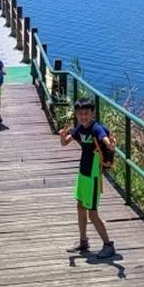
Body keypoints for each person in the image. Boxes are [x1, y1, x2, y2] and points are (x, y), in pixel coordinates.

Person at [59, 99, 116, 258]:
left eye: (86, 113)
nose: (84, 116)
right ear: (76, 115)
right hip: (83, 173)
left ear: (92, 114)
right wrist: (63, 136)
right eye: (80, 113)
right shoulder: (79, 129)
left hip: (93, 175)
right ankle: (83, 241)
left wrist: (110, 145)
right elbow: (65, 143)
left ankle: (108, 245)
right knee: (80, 206)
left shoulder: (96, 128)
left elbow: (104, 138)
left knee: (92, 213)